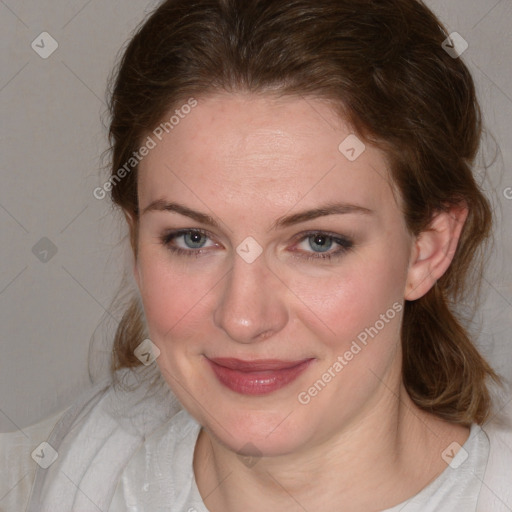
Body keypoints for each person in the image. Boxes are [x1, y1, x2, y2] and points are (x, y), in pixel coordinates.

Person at [6, 0, 512, 510]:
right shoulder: (74, 465)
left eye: (319, 242)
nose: (244, 318)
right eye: (193, 239)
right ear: (136, 237)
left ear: (428, 248)